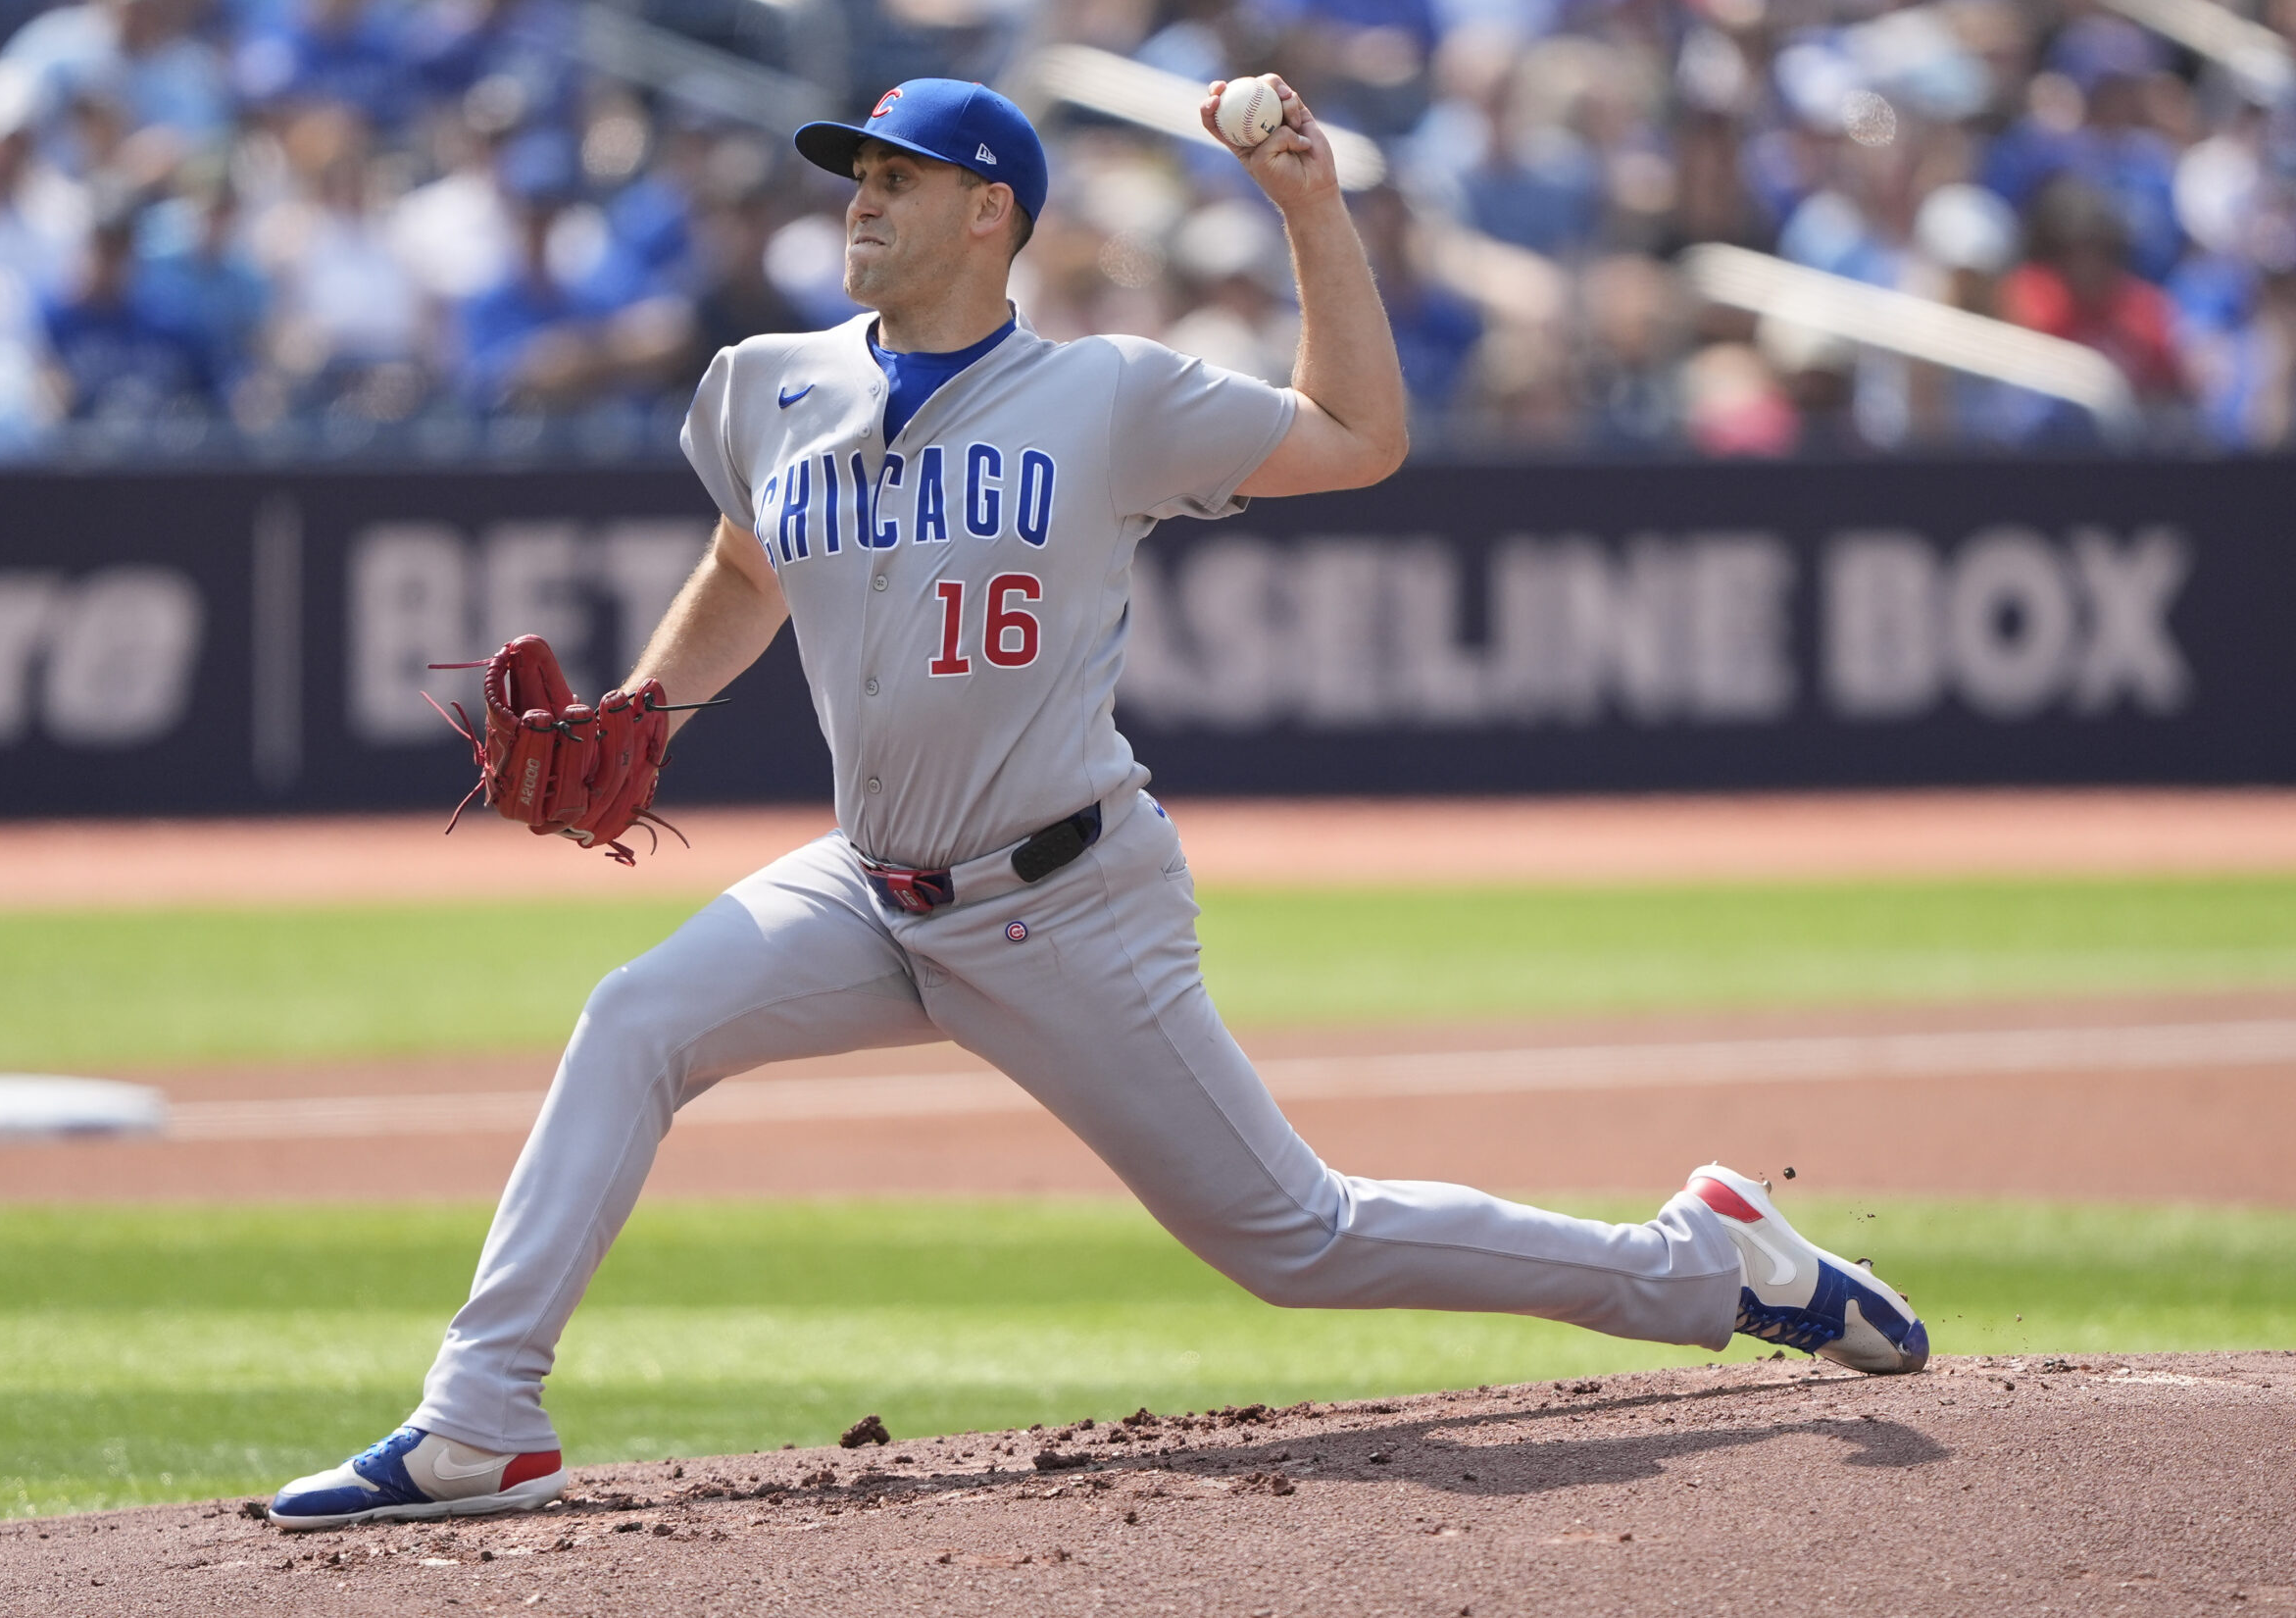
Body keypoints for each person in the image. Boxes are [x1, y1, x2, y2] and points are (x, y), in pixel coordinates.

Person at [266, 75, 1928, 1531]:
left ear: (991, 214)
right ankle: (481, 1418)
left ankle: (1713, 1263)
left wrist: (1305, 203)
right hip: (867, 888)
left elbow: (1362, 435)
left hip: (1064, 903)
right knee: (634, 1022)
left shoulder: (1112, 397)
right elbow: (741, 561)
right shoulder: (765, 382)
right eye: (855, 172)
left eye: (896, 177)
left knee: (1300, 1240)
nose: (860, 197)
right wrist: (656, 708)